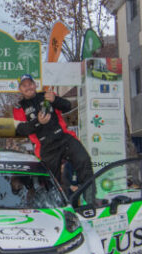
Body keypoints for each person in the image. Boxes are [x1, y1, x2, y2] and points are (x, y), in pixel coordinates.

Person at [13, 74, 94, 203]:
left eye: (30, 84)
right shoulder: (19, 108)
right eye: (24, 85)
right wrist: (38, 122)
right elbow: (21, 129)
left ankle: (90, 201)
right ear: (20, 89)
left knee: (84, 161)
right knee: (50, 181)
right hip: (45, 147)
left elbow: (68, 106)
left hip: (63, 137)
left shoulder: (47, 96)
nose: (28, 87)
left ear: (35, 85)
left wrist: (55, 100)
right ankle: (54, 206)